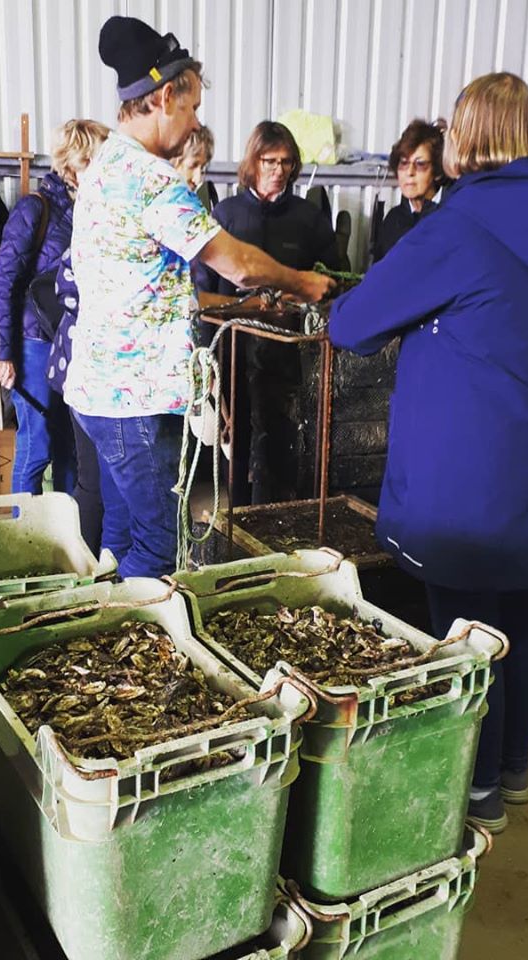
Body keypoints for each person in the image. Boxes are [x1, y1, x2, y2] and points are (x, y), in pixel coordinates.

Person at [329, 72, 528, 833]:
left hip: (471, 473)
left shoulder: (461, 225)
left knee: (465, 629)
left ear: (464, 138)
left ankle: (474, 791)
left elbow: (353, 324)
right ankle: (513, 770)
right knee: (524, 618)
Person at [64, 16, 333, 579]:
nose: (193, 123)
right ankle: (133, 627)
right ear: (164, 97)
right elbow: (237, 264)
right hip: (135, 400)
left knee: (125, 536)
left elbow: (154, 291)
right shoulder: (152, 179)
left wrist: (237, 307)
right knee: (161, 547)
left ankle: (109, 609)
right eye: (190, 108)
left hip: (98, 390)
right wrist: (304, 283)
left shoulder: (106, 165)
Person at [195, 120, 343, 504]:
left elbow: (335, 277)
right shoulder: (225, 216)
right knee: (236, 438)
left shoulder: (309, 219)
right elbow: (200, 292)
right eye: (269, 161)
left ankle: (273, 516)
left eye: (286, 162)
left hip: (289, 352)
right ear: (253, 162)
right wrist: (207, 360)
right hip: (233, 349)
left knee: (282, 439)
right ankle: (238, 514)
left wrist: (302, 296)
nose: (278, 170)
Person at [0, 120, 92, 494]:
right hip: (32, 342)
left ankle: (63, 526)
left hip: (69, 343)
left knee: (70, 447)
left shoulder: (90, 214)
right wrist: (5, 354)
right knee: (37, 445)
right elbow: (2, 281)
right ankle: (24, 526)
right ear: (73, 165)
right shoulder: (35, 209)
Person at [39, 121, 111, 554]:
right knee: (93, 480)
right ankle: (86, 564)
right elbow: (63, 284)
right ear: (75, 167)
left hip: (82, 359)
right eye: (94, 160)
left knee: (97, 476)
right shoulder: (80, 214)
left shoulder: (87, 209)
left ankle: (93, 559)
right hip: (82, 359)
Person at [374, 119, 446, 260]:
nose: (410, 172)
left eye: (420, 164)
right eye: (404, 163)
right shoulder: (392, 221)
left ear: (437, 171)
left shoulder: (452, 217)